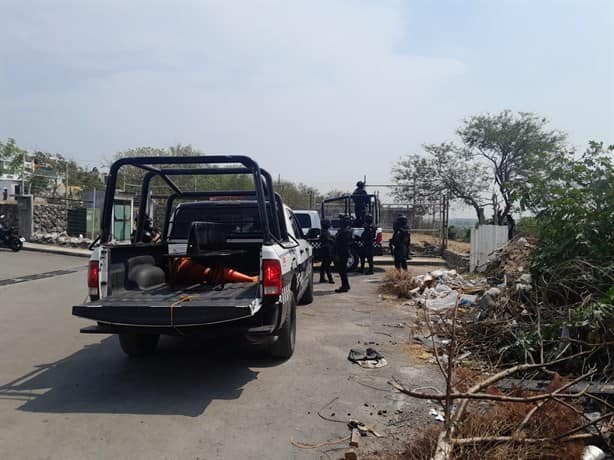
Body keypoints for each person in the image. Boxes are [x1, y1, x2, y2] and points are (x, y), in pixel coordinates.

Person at [334, 214, 353, 293]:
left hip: (342, 252)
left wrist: (337, 254)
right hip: (343, 252)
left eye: (341, 221)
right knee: (342, 270)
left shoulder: (345, 231)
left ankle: (344, 286)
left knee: (342, 270)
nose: (339, 222)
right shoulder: (345, 230)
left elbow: (342, 244)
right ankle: (346, 285)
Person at [318, 219, 335, 284]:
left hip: (325, 249)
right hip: (326, 250)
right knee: (327, 265)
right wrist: (333, 240)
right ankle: (330, 278)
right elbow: (328, 240)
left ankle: (322, 278)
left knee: (324, 265)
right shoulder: (324, 232)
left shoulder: (324, 231)